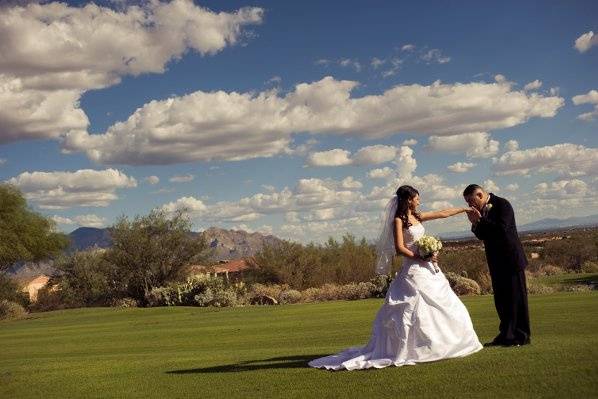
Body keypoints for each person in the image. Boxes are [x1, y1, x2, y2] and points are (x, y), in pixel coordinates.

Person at [308, 185, 483, 371]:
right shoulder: (399, 221)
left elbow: (442, 213)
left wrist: (463, 209)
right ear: (409, 200)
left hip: (429, 269)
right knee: (410, 309)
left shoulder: (418, 216)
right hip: (414, 269)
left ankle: (445, 343)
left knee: (446, 305)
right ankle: (411, 348)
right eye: (417, 198)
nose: (419, 201)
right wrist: (421, 256)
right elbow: (400, 248)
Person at [463, 184, 531, 347]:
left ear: (480, 195)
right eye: (467, 203)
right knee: (501, 301)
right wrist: (475, 224)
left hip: (511, 260)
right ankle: (505, 334)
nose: (470, 206)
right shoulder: (481, 212)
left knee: (517, 299)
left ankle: (521, 336)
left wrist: (480, 220)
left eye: (471, 202)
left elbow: (502, 229)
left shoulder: (502, 204)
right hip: (495, 261)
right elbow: (482, 235)